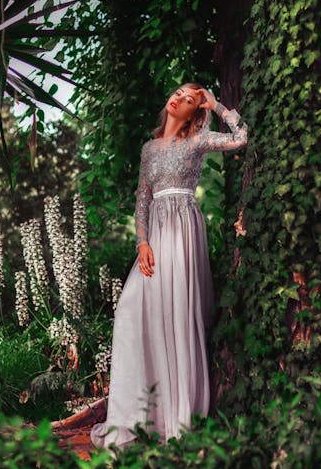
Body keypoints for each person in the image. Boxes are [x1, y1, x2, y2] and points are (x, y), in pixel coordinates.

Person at [91, 83, 248, 448]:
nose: (179, 97)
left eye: (191, 99)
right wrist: (141, 242)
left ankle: (178, 416)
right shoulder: (149, 149)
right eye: (180, 92)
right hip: (156, 233)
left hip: (183, 230)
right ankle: (137, 416)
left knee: (177, 315)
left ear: (196, 111)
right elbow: (142, 198)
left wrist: (218, 105)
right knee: (132, 308)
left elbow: (241, 138)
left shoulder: (198, 140)